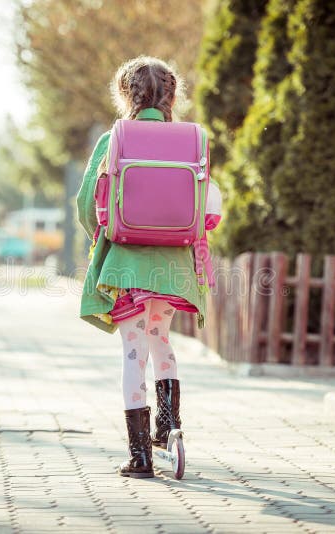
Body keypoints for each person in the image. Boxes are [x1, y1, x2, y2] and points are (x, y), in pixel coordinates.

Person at [76, 56, 222, 479]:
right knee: (162, 341)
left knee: (133, 352)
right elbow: (207, 203)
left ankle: (140, 456)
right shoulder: (192, 138)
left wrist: (100, 237)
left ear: (126, 94)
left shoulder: (115, 138)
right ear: (172, 95)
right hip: (175, 265)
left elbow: (88, 203)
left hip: (127, 265)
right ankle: (169, 426)